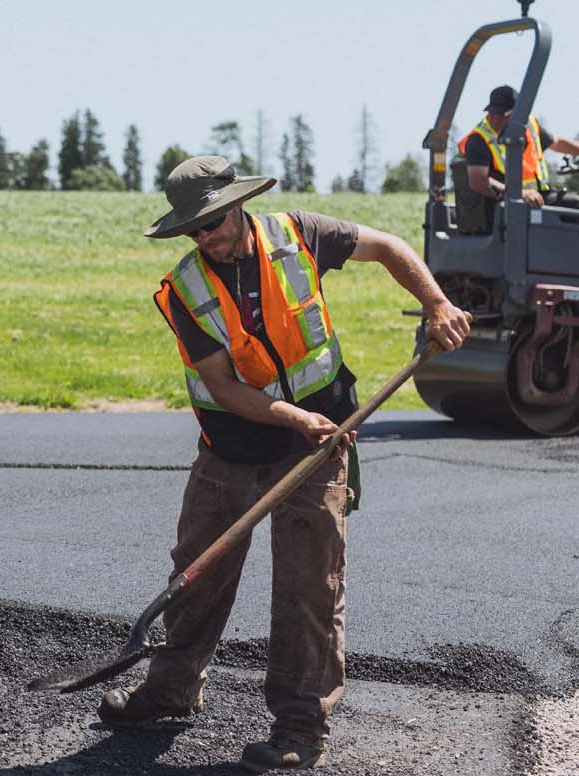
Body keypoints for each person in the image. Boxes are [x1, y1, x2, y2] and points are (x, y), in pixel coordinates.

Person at [97, 156, 468, 772]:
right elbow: (222, 386)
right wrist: (290, 416)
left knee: (307, 590)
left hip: (318, 448)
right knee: (198, 571)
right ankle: (171, 688)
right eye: (192, 230)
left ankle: (300, 727)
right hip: (231, 449)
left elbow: (391, 247)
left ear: (236, 206)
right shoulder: (184, 289)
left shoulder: (302, 235)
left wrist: (435, 303)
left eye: (210, 223)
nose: (204, 238)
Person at [461, 83, 579, 207]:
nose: (495, 119)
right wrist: (518, 194)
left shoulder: (529, 125)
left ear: (518, 113)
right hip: (506, 205)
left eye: (502, 115)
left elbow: (556, 143)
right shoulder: (479, 138)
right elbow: (478, 181)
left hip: (539, 197)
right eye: (492, 113)